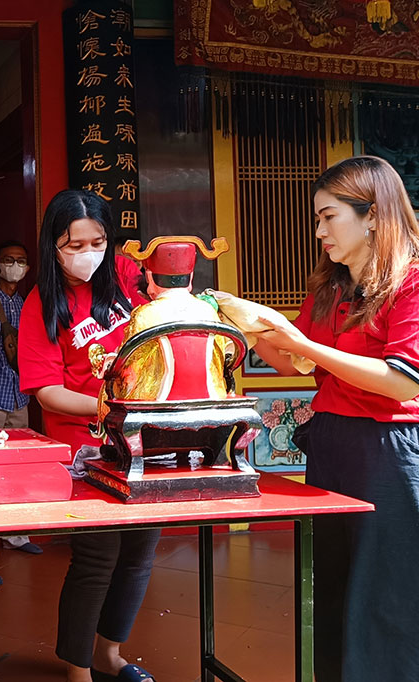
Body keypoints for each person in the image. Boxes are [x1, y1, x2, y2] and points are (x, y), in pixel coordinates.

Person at [252, 156, 419, 682]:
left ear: (372, 215)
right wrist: (246, 324)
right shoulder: (333, 287)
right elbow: (296, 360)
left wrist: (303, 345)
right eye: (317, 219)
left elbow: (404, 380)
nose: (319, 230)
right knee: (333, 587)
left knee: (385, 596)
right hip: (332, 446)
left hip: (388, 452)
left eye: (329, 217)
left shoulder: (411, 281)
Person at [18, 190, 156, 682]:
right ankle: (78, 668)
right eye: (73, 244)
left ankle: (111, 653)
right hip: (85, 445)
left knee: (139, 552)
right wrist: (109, 407)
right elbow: (48, 393)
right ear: (53, 245)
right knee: (97, 556)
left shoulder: (123, 278)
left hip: (142, 440)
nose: (88, 254)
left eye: (97, 241)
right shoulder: (42, 301)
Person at [0, 240, 41, 556]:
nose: (15, 266)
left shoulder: (31, 305)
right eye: (9, 260)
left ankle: (16, 534)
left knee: (19, 467)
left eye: (21, 260)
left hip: (19, 399)